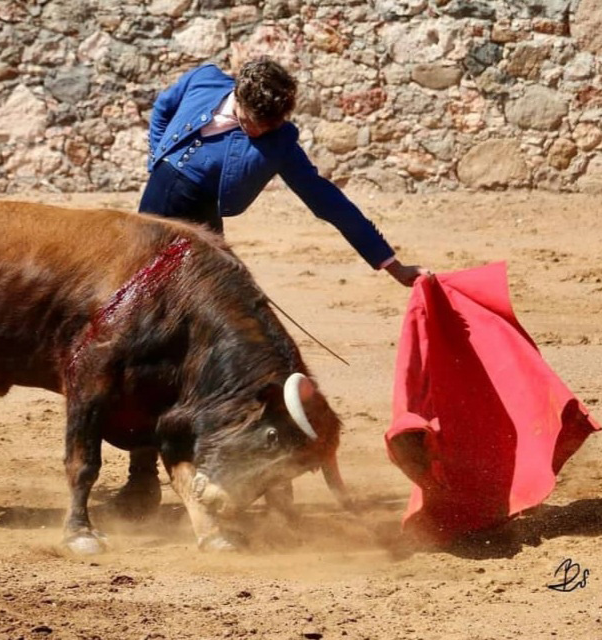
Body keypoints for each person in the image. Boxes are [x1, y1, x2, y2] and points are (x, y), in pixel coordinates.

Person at [114, 57, 430, 518]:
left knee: (223, 344)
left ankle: (262, 466)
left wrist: (389, 262)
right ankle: (141, 475)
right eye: (254, 121)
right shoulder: (204, 80)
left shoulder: (280, 140)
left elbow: (327, 200)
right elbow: (163, 106)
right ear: (237, 96)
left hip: (203, 241)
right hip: (146, 236)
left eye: (271, 124)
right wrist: (156, 155)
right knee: (140, 342)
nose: (261, 131)